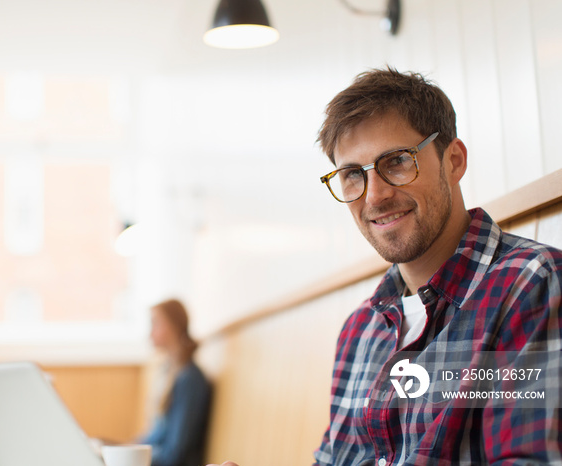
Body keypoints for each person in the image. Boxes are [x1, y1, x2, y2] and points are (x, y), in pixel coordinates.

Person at [207, 68, 562, 465]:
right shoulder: (360, 330)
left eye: (396, 161)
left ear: (454, 161)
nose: (374, 196)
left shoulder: (532, 283)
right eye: (353, 175)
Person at [140, 298, 212, 466]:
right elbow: (158, 434)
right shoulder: (170, 372)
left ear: (174, 325)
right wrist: (128, 448)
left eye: (155, 324)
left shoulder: (190, 380)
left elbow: (176, 453)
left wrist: (135, 457)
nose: (150, 333)